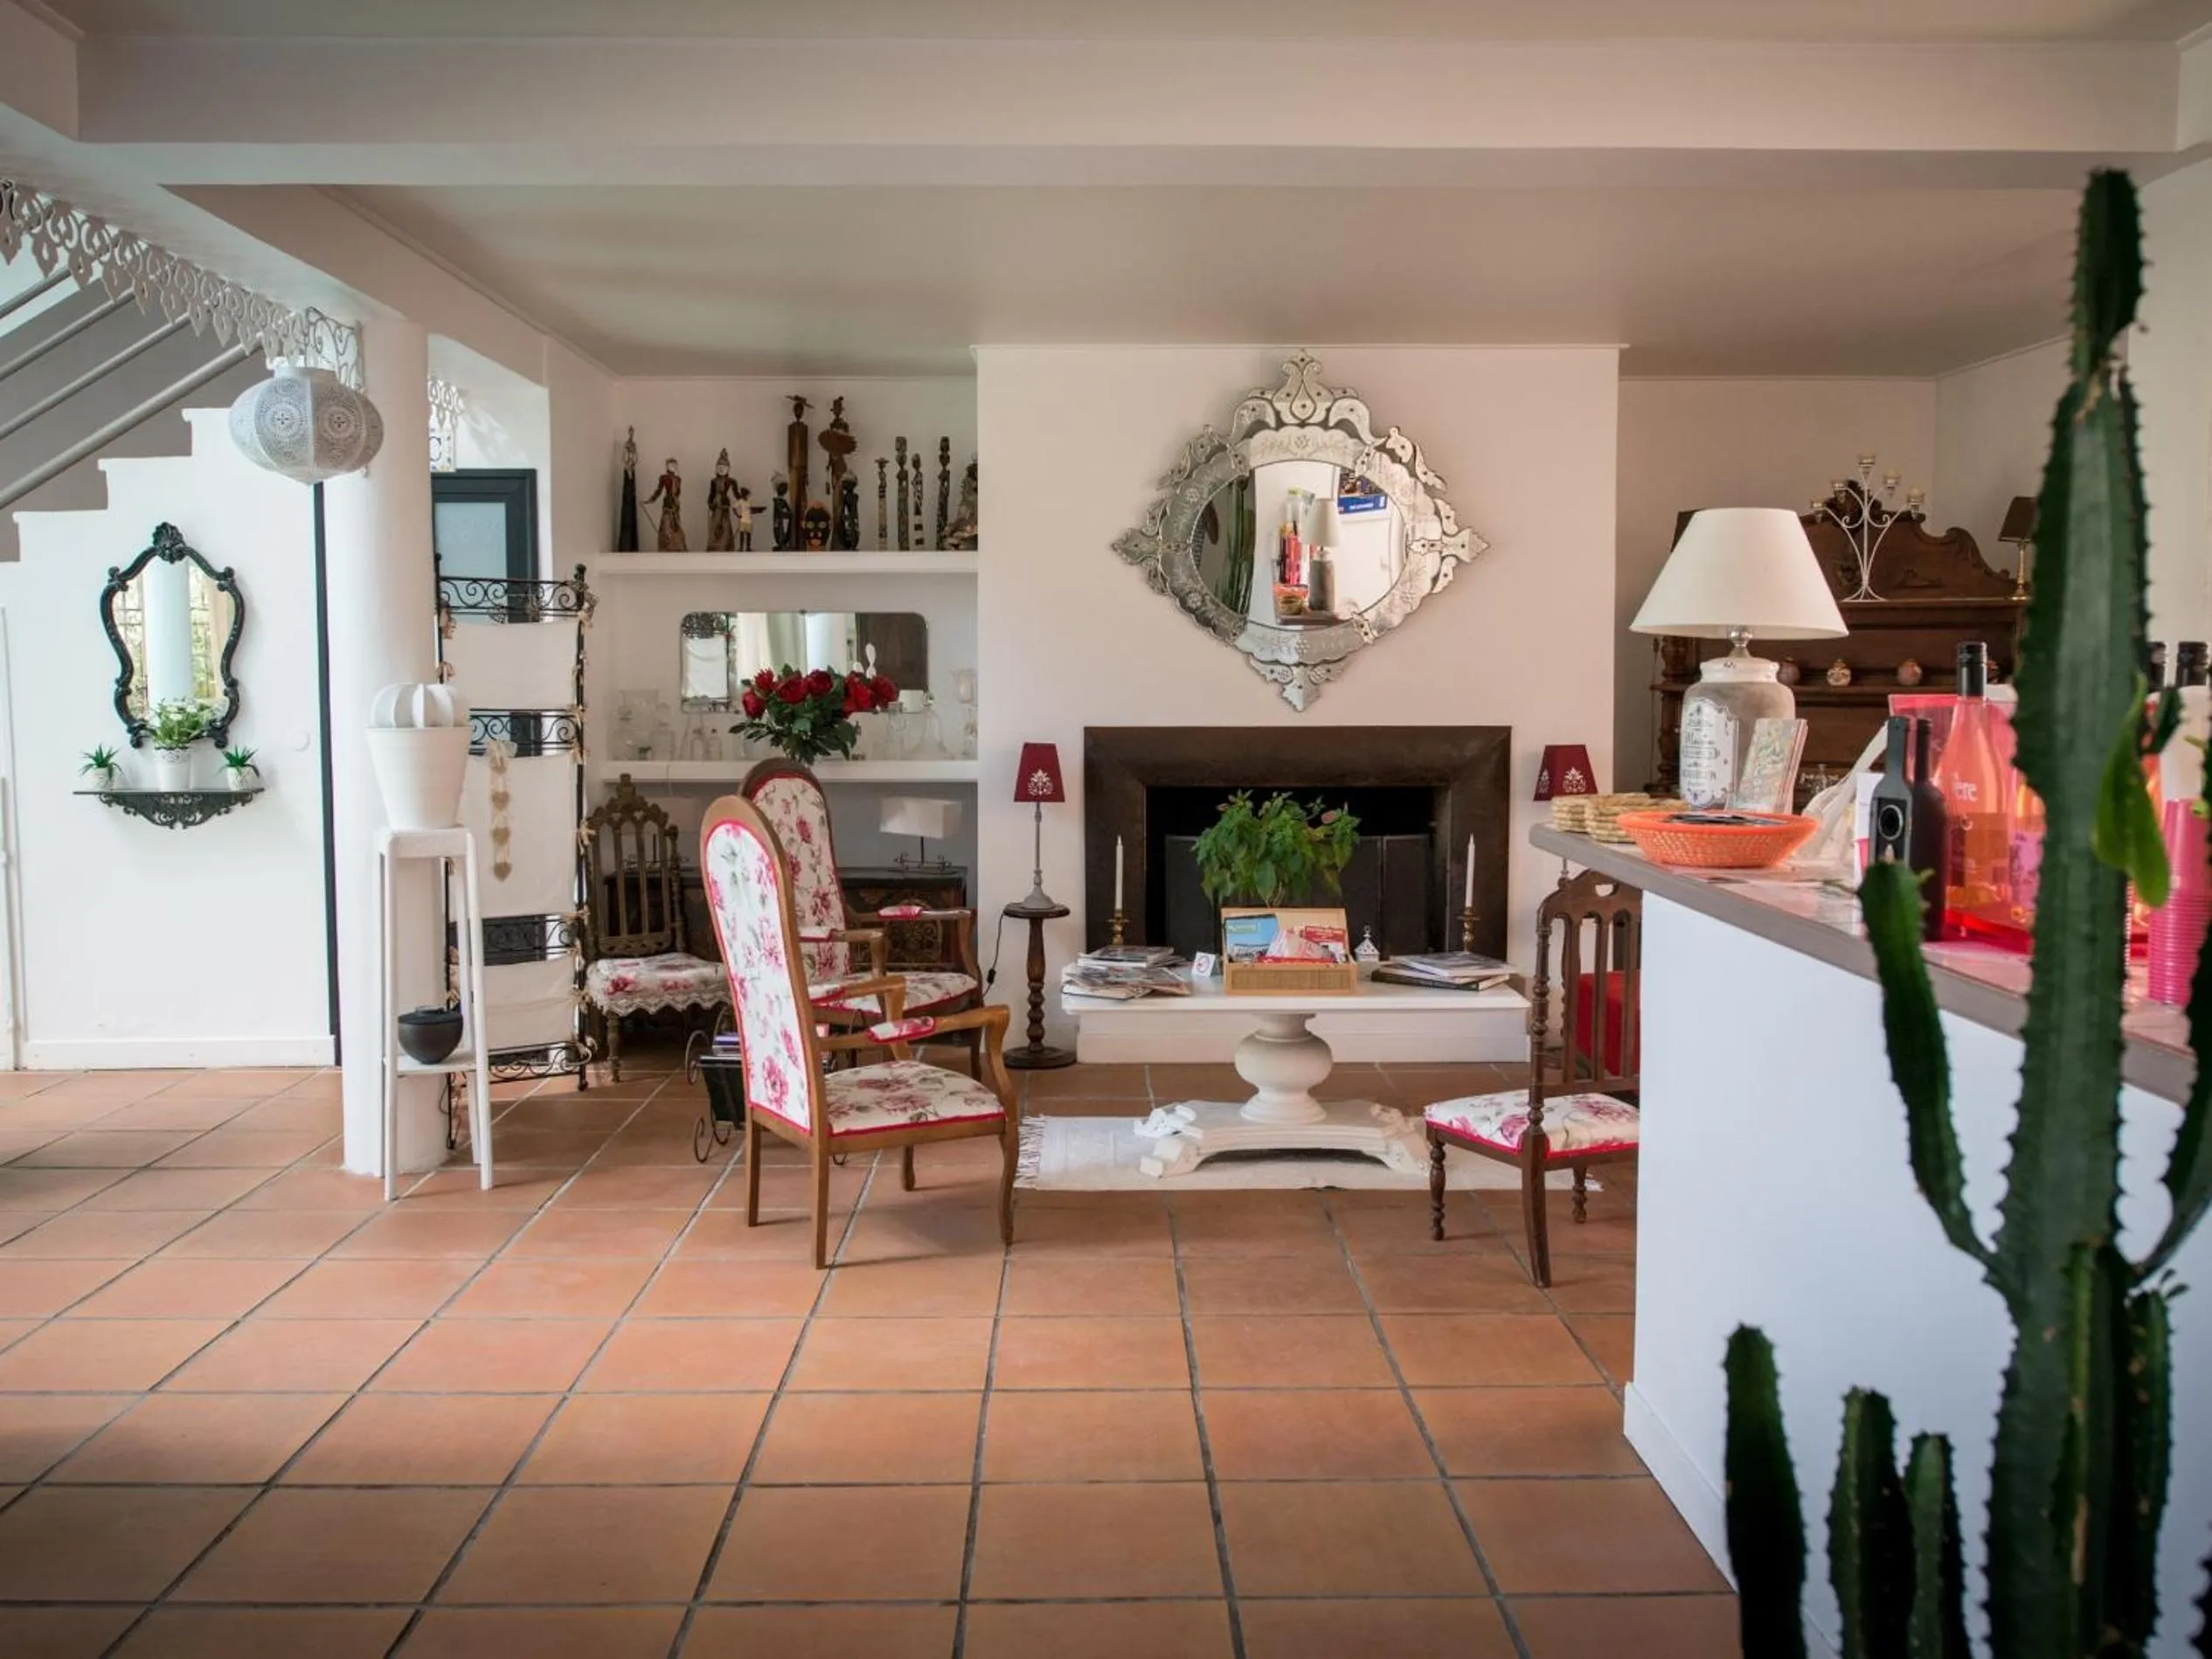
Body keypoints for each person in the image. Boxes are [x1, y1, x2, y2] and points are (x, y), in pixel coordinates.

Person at [644, 458, 686, 552]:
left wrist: (676, 501)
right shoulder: (664, 478)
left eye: (674, 465)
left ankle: (677, 545)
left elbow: (678, 492)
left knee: (676, 525)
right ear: (667, 466)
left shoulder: (678, 479)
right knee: (666, 523)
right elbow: (659, 490)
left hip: (675, 505)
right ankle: (666, 545)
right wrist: (651, 500)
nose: (673, 467)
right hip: (668, 504)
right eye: (671, 465)